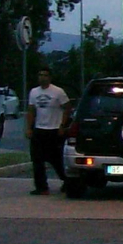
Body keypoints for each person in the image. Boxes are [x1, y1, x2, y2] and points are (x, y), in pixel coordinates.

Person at [26, 67, 71, 195]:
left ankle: (67, 181)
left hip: (54, 130)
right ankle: (41, 187)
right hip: (39, 129)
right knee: (37, 160)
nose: (42, 78)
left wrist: (62, 125)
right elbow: (31, 111)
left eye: (45, 75)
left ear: (50, 78)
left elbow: (67, 108)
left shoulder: (58, 92)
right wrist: (29, 128)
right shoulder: (34, 92)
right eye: (40, 75)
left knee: (56, 159)